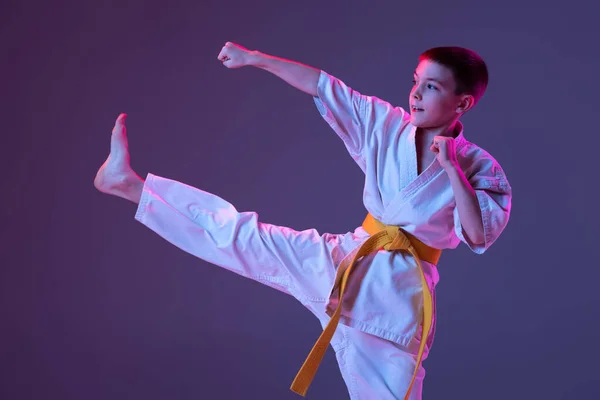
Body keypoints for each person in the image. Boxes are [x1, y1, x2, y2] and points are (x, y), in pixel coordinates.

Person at [94, 41, 512, 399]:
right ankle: (129, 185)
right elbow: (322, 85)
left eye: (432, 86)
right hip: (343, 262)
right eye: (416, 81)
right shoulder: (386, 124)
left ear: (462, 103)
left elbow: (477, 235)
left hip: (394, 303)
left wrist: (453, 168)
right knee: (244, 236)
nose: (416, 93)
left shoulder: (481, 168)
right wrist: (255, 58)